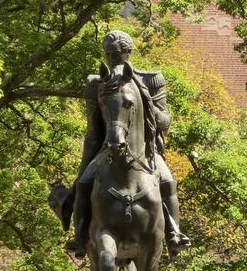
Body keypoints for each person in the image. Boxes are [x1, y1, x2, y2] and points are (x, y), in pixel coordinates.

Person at [51, 30, 190, 256]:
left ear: (128, 52)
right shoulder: (96, 84)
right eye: (107, 54)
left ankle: (174, 234)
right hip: (107, 149)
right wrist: (83, 167)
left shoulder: (152, 79)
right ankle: (80, 236)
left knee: (167, 181)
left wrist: (147, 107)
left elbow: (165, 122)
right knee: (84, 183)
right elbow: (93, 131)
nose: (111, 59)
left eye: (116, 54)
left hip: (146, 150)